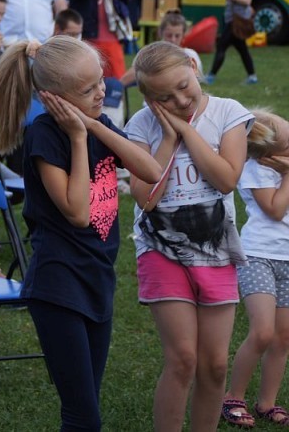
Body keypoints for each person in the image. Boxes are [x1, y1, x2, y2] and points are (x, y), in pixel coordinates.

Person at [0, 36, 161, 431]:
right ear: (55, 97)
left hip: (97, 277)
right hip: (58, 285)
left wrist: (92, 125)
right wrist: (81, 137)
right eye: (88, 89)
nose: (102, 90)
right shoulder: (45, 135)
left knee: (87, 406)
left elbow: (151, 172)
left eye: (101, 80)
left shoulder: (98, 122)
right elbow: (78, 213)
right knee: (82, 417)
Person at [125, 41, 253, 432]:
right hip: (161, 248)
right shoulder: (140, 127)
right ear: (147, 98)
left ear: (194, 68)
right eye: (164, 97)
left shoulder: (227, 112)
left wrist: (185, 130)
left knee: (214, 365)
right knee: (183, 358)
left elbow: (226, 179)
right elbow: (147, 197)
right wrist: (167, 139)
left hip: (216, 248)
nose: (180, 99)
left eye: (184, 85)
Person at [221, 108, 289, 428]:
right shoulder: (255, 169)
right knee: (263, 331)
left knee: (283, 337)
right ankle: (233, 396)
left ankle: (266, 403)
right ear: (271, 147)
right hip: (259, 255)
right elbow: (275, 210)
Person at [207, 0, 258, 85]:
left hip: (238, 21)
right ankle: (252, 77)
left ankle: (211, 76)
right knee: (242, 49)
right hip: (230, 19)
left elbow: (247, 1)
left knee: (221, 46)